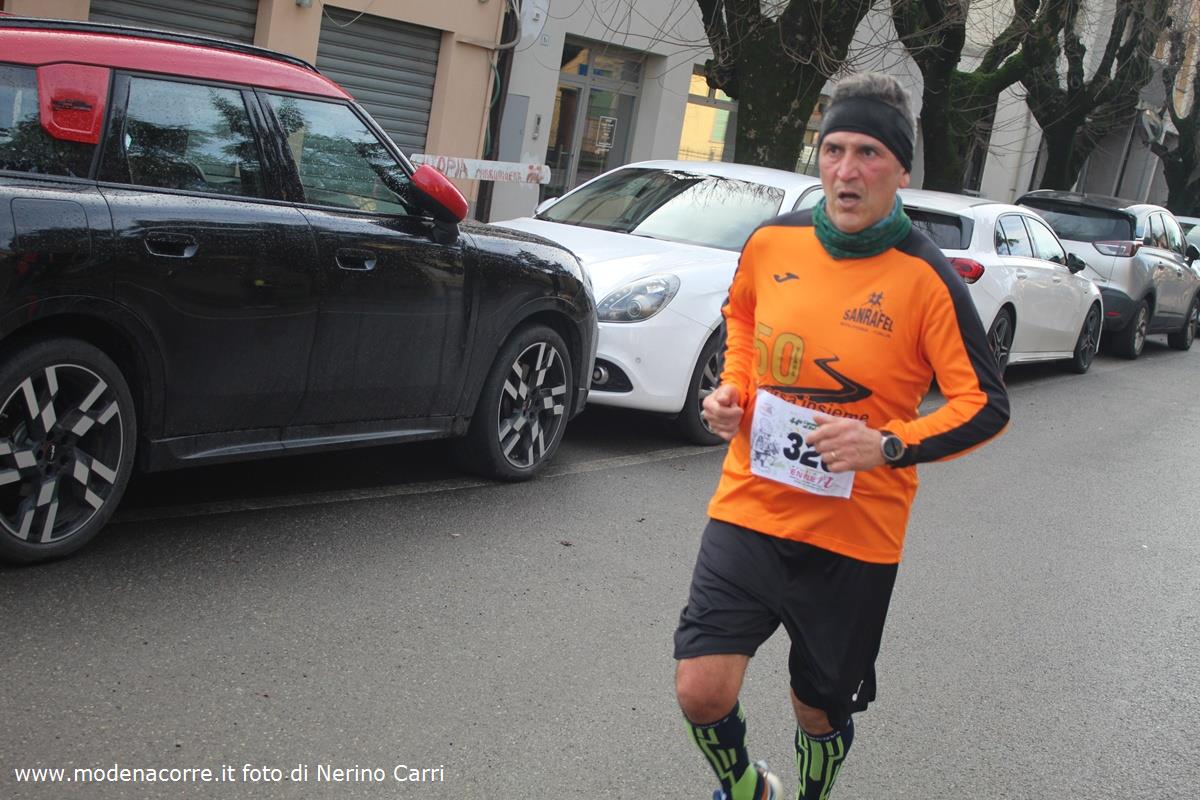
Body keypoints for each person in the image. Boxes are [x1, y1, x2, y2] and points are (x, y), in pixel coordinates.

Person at [673, 72, 1010, 800]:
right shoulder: (773, 242)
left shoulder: (927, 277)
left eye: (868, 154)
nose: (846, 171)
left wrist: (888, 445)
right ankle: (747, 789)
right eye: (834, 150)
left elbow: (985, 404)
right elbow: (742, 317)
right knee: (700, 689)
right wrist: (732, 391)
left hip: (855, 533)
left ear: (900, 171)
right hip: (751, 505)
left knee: (819, 708)